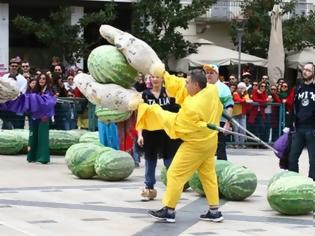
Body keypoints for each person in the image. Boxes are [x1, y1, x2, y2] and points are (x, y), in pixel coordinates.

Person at [137, 69, 223, 223]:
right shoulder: (211, 89)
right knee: (208, 176)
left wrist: (152, 109)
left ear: (196, 85)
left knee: (174, 174)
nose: (185, 85)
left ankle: (169, 210)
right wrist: (165, 75)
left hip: (195, 145)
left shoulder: (192, 107)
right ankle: (214, 211)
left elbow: (175, 124)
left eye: (188, 83)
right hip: (210, 142)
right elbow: (180, 85)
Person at [137, 75, 181, 201]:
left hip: (166, 131)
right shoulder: (144, 95)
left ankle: (174, 187)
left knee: (169, 161)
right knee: (150, 160)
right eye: (153, 77)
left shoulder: (168, 94)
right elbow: (141, 116)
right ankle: (149, 187)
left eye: (158, 77)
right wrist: (140, 134)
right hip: (149, 133)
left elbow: (177, 111)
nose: (155, 79)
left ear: (162, 79)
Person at [0, 73, 56, 164]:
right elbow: (27, 101)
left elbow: (48, 103)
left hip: (44, 118)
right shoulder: (34, 91)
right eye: (40, 78)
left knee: (42, 137)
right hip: (34, 117)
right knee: (32, 135)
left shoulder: (49, 92)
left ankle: (42, 158)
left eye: (44, 79)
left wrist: (33, 99)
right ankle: (32, 156)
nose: (41, 80)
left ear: (47, 81)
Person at [288, 62, 315, 181]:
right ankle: (294, 182)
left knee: (313, 160)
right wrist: (290, 124)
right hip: (299, 127)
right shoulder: (298, 88)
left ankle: (312, 185)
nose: (305, 72)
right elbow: (293, 106)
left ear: (313, 73)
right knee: (292, 158)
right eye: (304, 69)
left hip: (312, 128)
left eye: (308, 70)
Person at [203, 64, 234, 160]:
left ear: (217, 74)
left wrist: (227, 124)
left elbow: (229, 107)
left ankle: (222, 172)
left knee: (220, 150)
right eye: (207, 73)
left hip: (220, 122)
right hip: (205, 123)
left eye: (211, 73)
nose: (209, 75)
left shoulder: (223, 88)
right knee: (205, 150)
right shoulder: (202, 87)